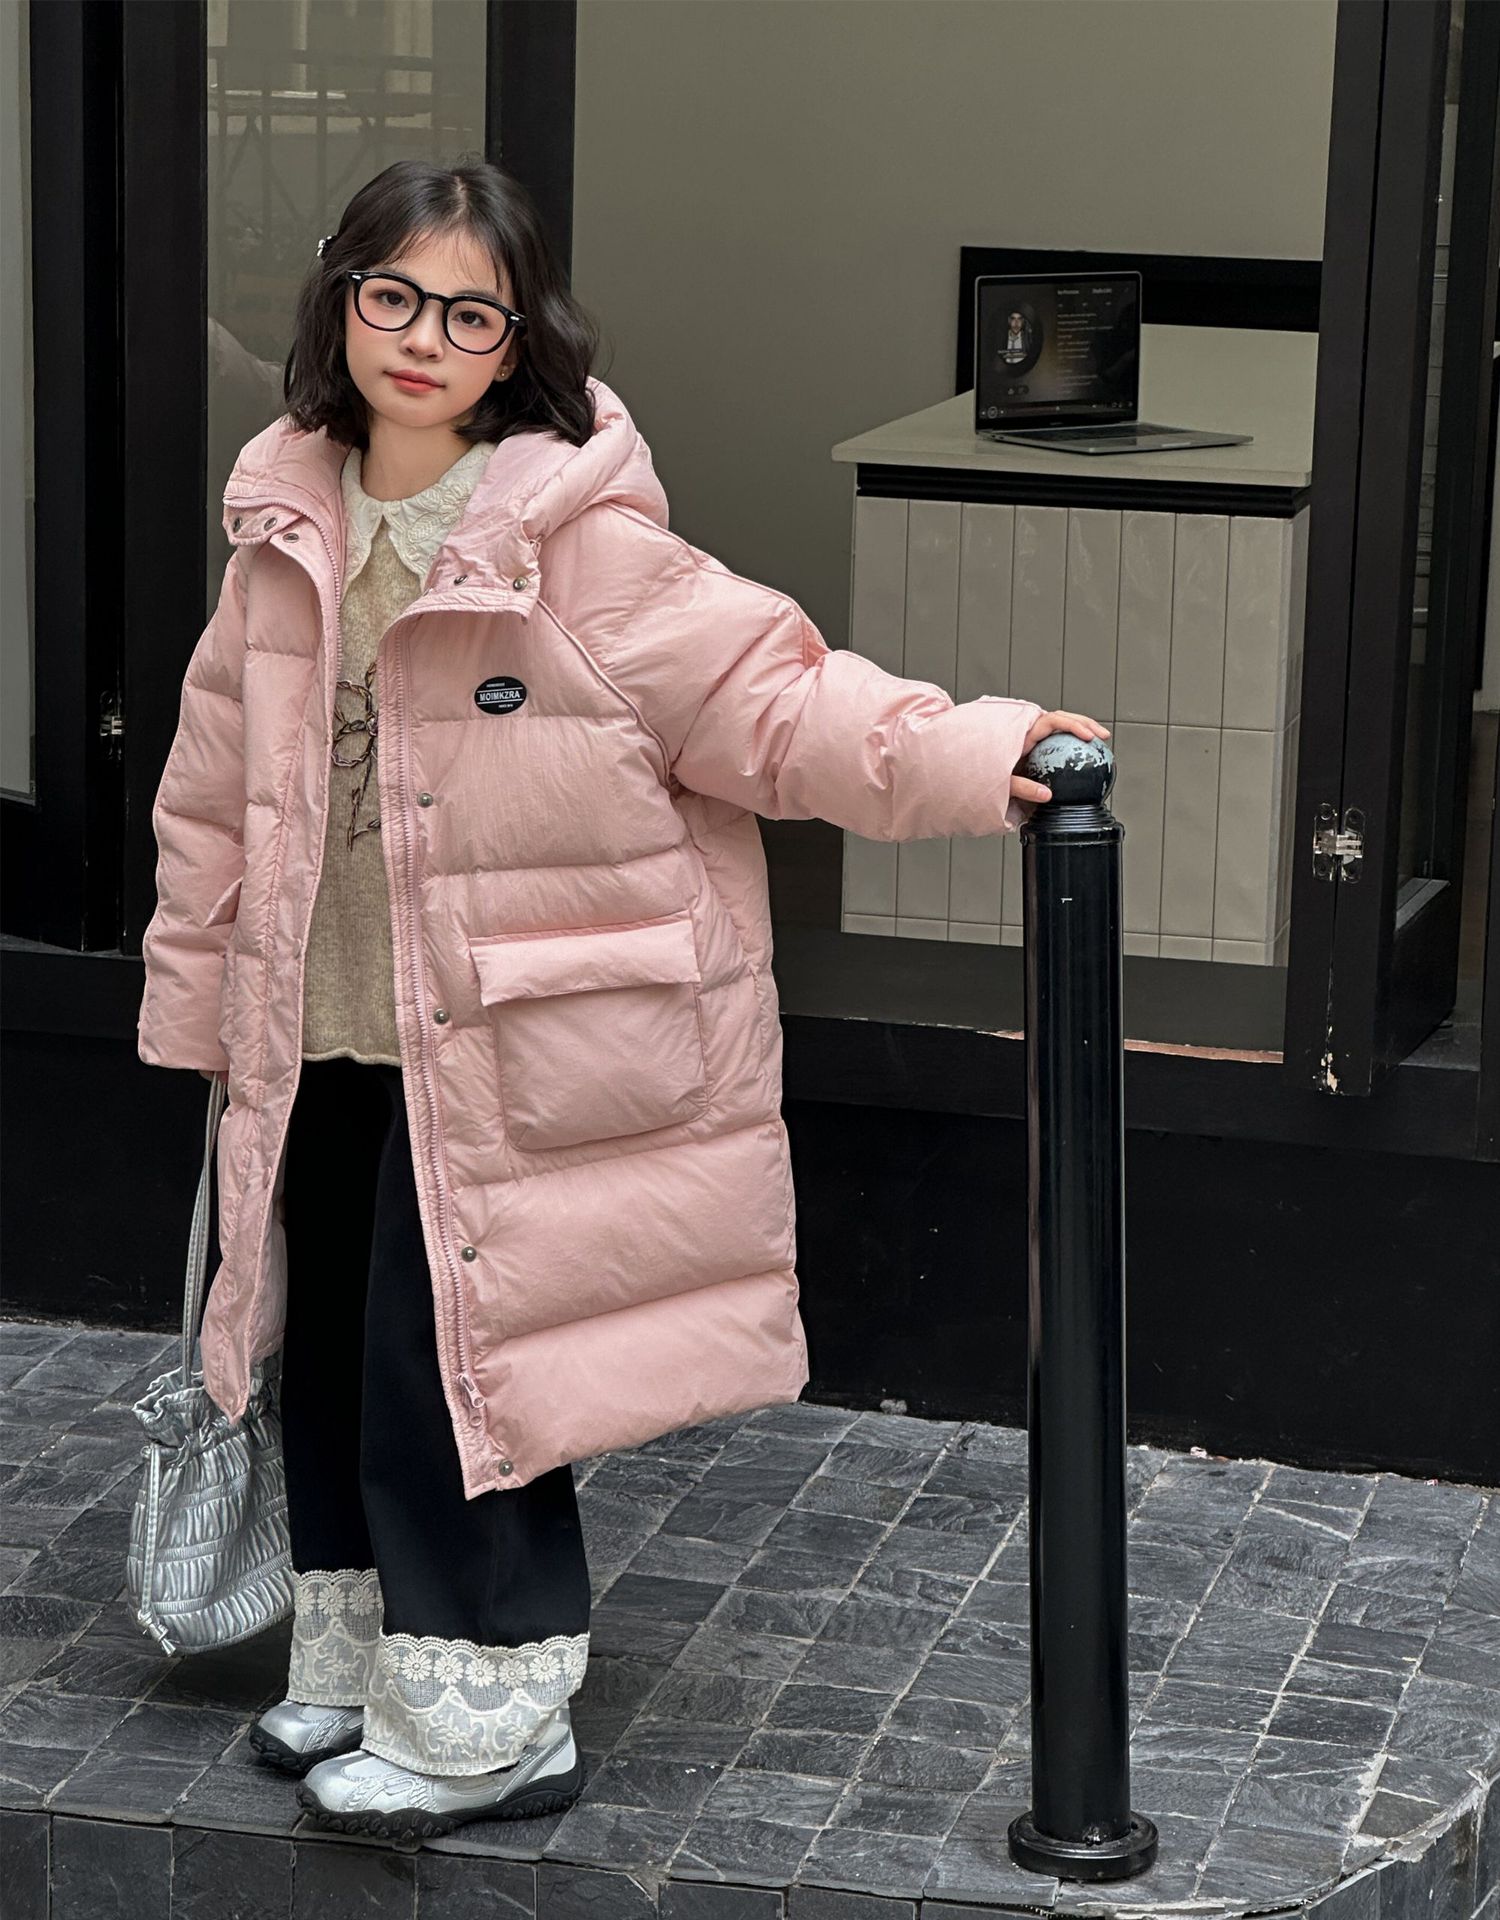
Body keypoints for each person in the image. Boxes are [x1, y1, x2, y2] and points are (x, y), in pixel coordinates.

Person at [137, 157, 1109, 1846]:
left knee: (458, 1371)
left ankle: (492, 1712)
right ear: (341, 301)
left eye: (470, 313)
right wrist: (197, 1010)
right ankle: (368, 1657)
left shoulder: (576, 546)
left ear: (519, 340)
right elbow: (212, 792)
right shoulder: (286, 520)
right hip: (323, 1023)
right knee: (329, 1353)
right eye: (393, 296)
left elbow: (782, 703)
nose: (423, 338)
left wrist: (982, 749)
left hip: (498, 1039)